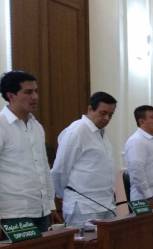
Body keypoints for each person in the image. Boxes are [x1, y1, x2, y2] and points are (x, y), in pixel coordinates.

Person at [0, 70, 60, 234]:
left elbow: (44, 168)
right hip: (13, 213)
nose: (35, 97)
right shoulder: (2, 124)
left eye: (36, 91)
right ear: (11, 95)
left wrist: (50, 204)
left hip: (41, 210)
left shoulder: (36, 126)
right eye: (28, 92)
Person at [51, 92, 117, 228]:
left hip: (105, 203)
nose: (106, 118)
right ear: (90, 109)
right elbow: (59, 170)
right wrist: (66, 195)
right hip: (83, 206)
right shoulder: (77, 130)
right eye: (103, 113)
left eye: (110, 115)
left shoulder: (101, 133)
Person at [123, 105, 153, 208]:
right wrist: (149, 198)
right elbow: (137, 173)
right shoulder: (136, 141)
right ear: (141, 122)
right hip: (145, 202)